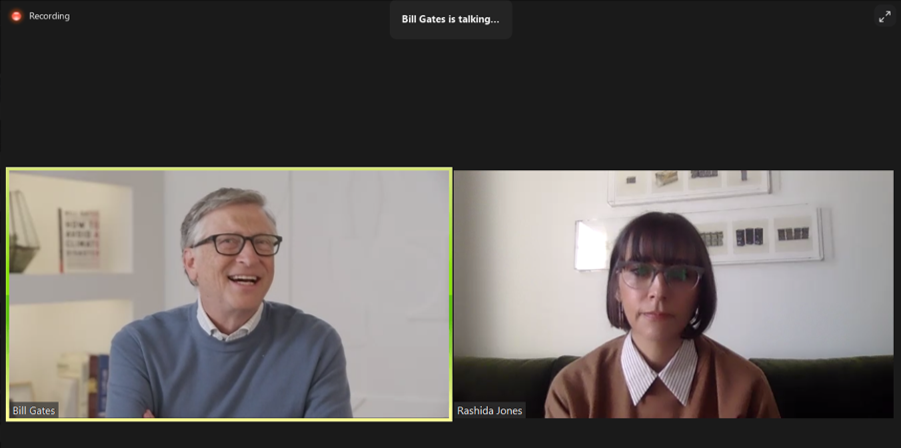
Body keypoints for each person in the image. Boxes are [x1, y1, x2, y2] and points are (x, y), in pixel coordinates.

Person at [105, 188, 353, 418]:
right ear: (191, 263)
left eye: (263, 242)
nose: (250, 257)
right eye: (228, 242)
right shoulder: (139, 346)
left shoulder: (316, 344)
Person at [545, 212, 780, 418]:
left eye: (679, 274)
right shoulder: (572, 391)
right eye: (639, 270)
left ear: (701, 291)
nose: (658, 292)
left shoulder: (745, 387)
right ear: (616, 287)